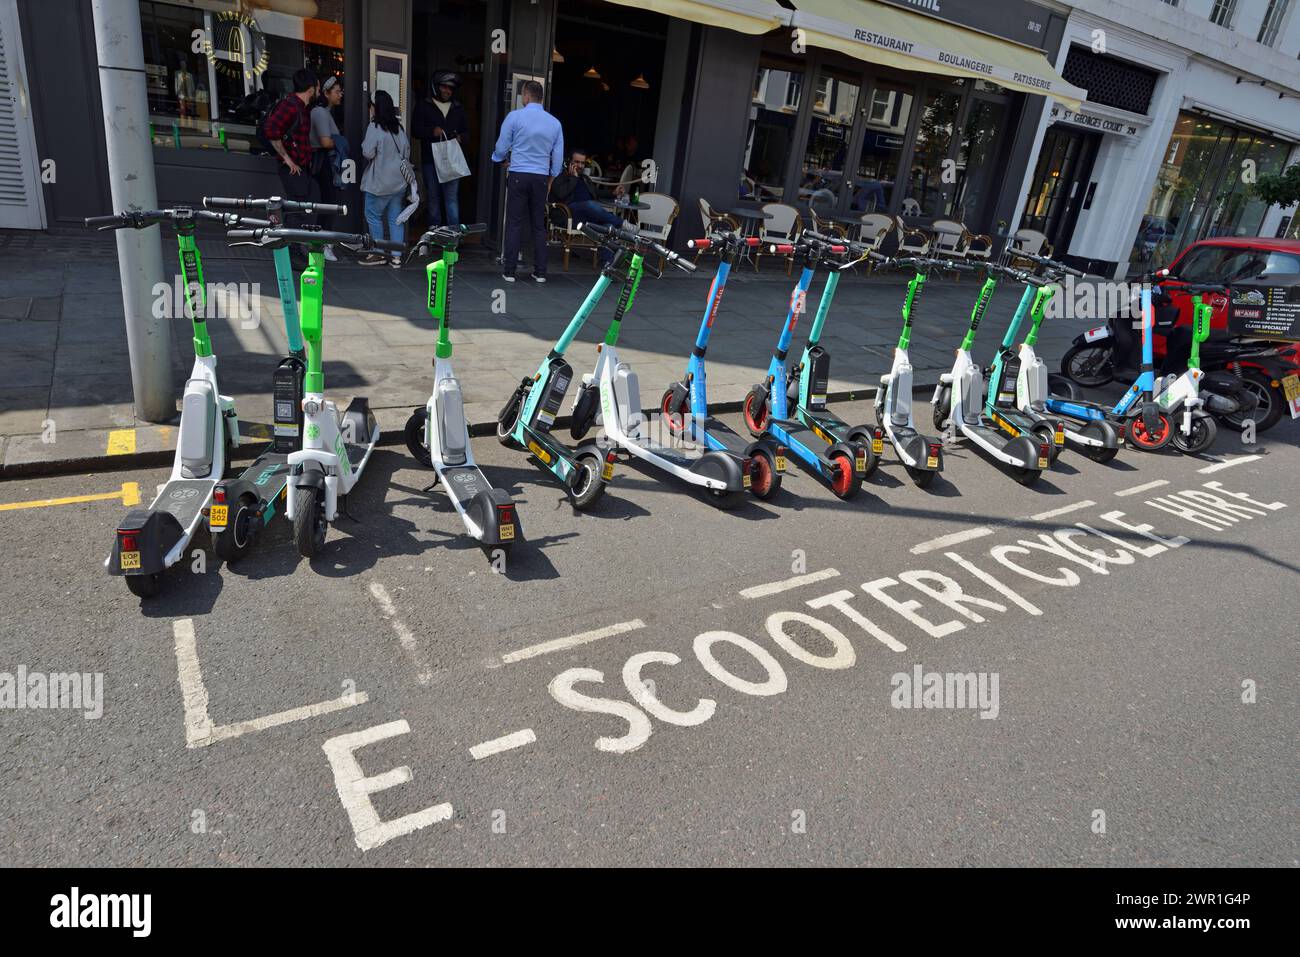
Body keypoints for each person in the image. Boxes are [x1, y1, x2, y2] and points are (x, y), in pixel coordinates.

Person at [491, 80, 562, 283]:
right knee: (539, 225)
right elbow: (557, 158)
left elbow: (501, 146)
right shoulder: (555, 123)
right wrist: (550, 179)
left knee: (514, 223)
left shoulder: (514, 117)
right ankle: (540, 272)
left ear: (526, 95)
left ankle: (510, 271)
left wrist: (500, 159)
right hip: (540, 177)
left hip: (518, 175)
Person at [263, 68, 321, 264]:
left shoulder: (303, 108)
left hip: (302, 167)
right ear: (311, 89)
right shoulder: (290, 106)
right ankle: (292, 252)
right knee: (296, 209)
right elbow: (271, 130)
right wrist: (287, 159)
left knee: (308, 202)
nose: (319, 90)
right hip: (292, 168)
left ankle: (297, 246)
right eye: (318, 86)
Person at [359, 91, 412, 268]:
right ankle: (396, 257)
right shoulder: (399, 127)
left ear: (374, 107)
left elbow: (368, 152)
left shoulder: (374, 127)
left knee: (373, 216)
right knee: (395, 219)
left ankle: (379, 253)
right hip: (399, 182)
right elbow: (406, 152)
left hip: (380, 183)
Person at [413, 71, 469, 228]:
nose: (447, 91)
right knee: (433, 198)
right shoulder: (424, 105)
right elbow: (415, 130)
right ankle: (434, 232)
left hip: (452, 161)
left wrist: (461, 138)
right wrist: (432, 131)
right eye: (444, 87)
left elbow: (467, 133)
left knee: (451, 198)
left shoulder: (458, 108)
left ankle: (454, 233)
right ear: (436, 87)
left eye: (450, 88)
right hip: (430, 160)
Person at [549, 149, 623, 265]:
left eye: (582, 163)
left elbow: (596, 192)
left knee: (609, 227)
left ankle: (608, 264)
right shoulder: (561, 177)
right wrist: (573, 178)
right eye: (576, 162)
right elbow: (560, 194)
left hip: (587, 217)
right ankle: (622, 224)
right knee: (589, 204)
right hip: (569, 216)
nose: (580, 165)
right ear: (569, 162)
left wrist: (613, 193)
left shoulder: (585, 179)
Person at [309, 75, 349, 261]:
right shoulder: (320, 112)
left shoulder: (324, 111)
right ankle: (322, 244)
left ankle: (322, 243)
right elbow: (325, 142)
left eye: (341, 91)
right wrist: (340, 142)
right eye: (337, 91)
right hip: (325, 161)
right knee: (329, 203)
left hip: (328, 161)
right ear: (325, 93)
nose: (340, 95)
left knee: (330, 203)